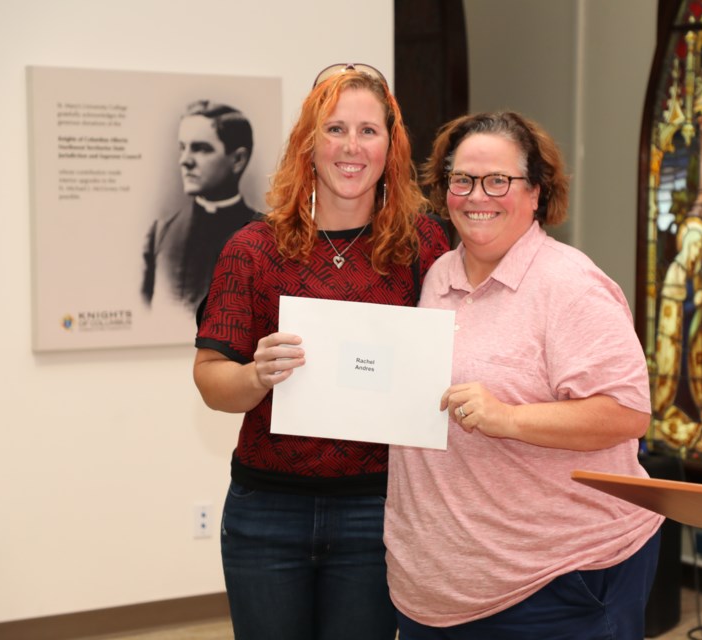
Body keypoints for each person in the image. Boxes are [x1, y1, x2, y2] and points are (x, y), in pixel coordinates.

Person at [192, 64, 449, 640]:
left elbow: (458, 350)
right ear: (308, 143)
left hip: (377, 510)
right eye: (334, 129)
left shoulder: (424, 244)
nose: (351, 147)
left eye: (368, 131)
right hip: (267, 512)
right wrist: (257, 374)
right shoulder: (253, 249)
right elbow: (211, 381)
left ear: (391, 145)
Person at [385, 111, 664, 640]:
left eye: (498, 181)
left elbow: (627, 413)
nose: (476, 195)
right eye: (461, 180)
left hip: (554, 586)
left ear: (536, 192)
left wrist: (509, 418)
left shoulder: (570, 284)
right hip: (435, 591)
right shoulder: (436, 275)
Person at [141, 100, 259, 311]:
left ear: (238, 160)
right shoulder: (161, 233)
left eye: (201, 149)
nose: (185, 161)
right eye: (182, 148)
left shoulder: (267, 238)